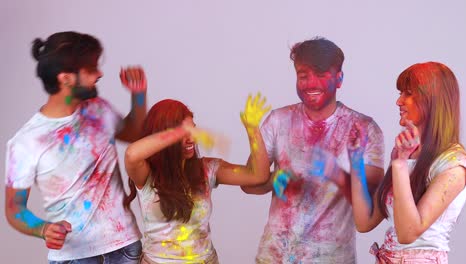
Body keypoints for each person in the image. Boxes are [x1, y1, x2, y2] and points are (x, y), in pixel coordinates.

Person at [5, 31, 147, 263]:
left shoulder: (99, 109)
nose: (100, 73)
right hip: (74, 256)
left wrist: (138, 95)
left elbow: (135, 133)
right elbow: (14, 209)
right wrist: (42, 229)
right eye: (91, 69)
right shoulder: (26, 142)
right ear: (66, 78)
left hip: (124, 246)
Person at [241, 37, 385, 263]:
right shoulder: (278, 120)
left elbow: (371, 209)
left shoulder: (364, 129)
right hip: (274, 256)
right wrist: (274, 180)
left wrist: (336, 174)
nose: (310, 84)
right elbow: (248, 184)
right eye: (303, 75)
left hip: (333, 257)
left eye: (320, 75)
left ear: (339, 79)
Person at [123, 94, 271, 263]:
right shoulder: (146, 174)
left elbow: (258, 175)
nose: (192, 138)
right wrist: (179, 132)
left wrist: (252, 128)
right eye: (184, 133)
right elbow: (131, 154)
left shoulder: (208, 168)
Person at [347, 62, 466, 263]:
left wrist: (400, 164)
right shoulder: (407, 154)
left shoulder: (454, 165)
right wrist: (356, 161)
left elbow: (408, 233)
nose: (399, 101)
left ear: (433, 100)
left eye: (408, 93)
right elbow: (364, 222)